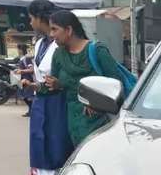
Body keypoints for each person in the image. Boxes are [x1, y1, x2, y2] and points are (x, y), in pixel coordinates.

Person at [20, 0, 73, 175]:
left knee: (55, 149)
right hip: (40, 101)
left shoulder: (60, 45)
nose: (31, 23)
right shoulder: (41, 43)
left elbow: (64, 74)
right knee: (41, 150)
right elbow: (42, 68)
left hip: (57, 102)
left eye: (31, 18)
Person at [44, 10, 127, 147]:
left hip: (101, 121)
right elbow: (53, 87)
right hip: (73, 123)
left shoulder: (97, 51)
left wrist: (97, 104)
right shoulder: (58, 55)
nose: (51, 35)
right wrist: (34, 86)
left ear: (69, 30)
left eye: (54, 29)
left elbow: (116, 84)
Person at [16, 43, 34, 117]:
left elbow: (31, 69)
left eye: (19, 49)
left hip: (28, 80)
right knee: (23, 95)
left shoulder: (27, 58)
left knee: (28, 96)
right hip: (22, 79)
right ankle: (30, 110)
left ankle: (32, 111)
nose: (18, 51)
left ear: (21, 50)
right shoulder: (22, 59)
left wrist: (22, 71)